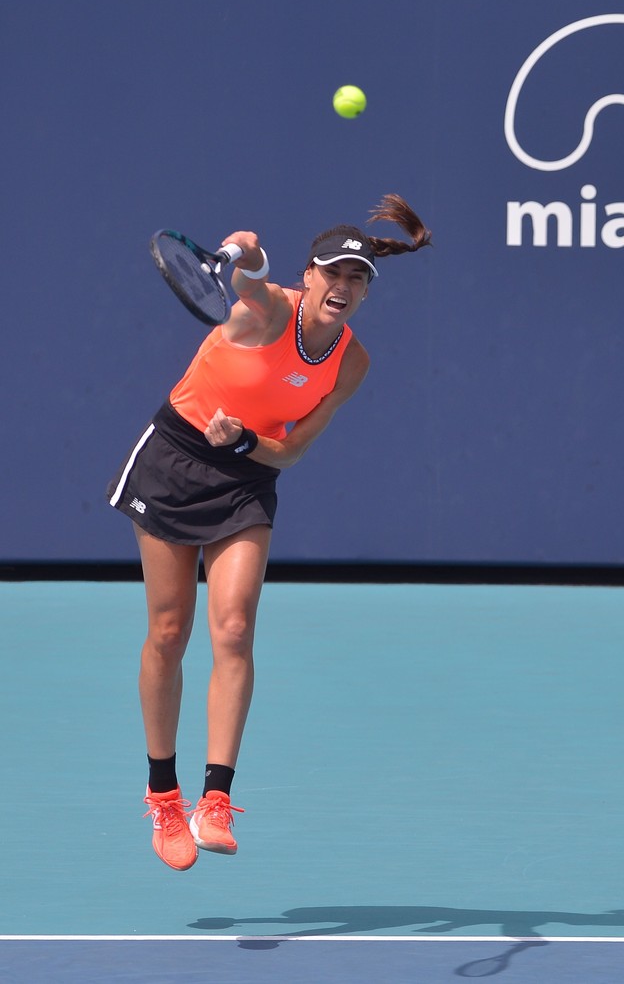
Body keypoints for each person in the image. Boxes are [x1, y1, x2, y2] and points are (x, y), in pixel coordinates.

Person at [106, 195, 431, 871]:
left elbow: (290, 453)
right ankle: (163, 794)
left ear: (367, 290)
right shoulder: (267, 310)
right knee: (169, 632)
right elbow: (248, 277)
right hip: (173, 459)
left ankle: (215, 799)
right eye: (333, 274)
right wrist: (249, 253)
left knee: (233, 628)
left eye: (358, 278)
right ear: (308, 277)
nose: (344, 287)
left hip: (245, 475)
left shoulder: (351, 363)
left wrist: (246, 441)